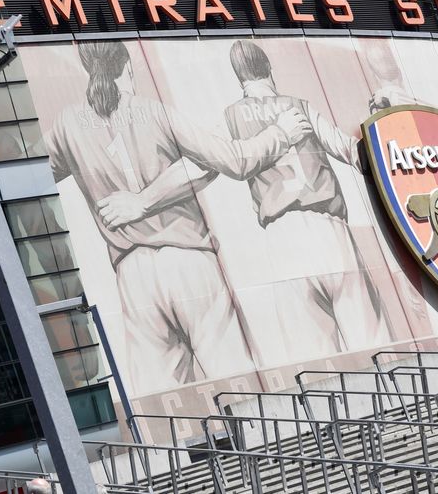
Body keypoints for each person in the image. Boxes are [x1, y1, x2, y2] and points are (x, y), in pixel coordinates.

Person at [45, 41, 312, 394]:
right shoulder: (153, 111)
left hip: (133, 275)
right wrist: (280, 134)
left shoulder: (68, 124)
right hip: (189, 261)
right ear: (127, 66)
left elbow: (25, 172)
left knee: (165, 408)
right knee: (240, 389)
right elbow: (235, 161)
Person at [223, 40, 394, 356]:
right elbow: (352, 152)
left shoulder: (231, 115)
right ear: (269, 69)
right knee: (372, 340)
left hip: (281, 239)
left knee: (317, 358)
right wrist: (386, 123)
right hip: (328, 227)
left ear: (239, 77)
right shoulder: (298, 106)